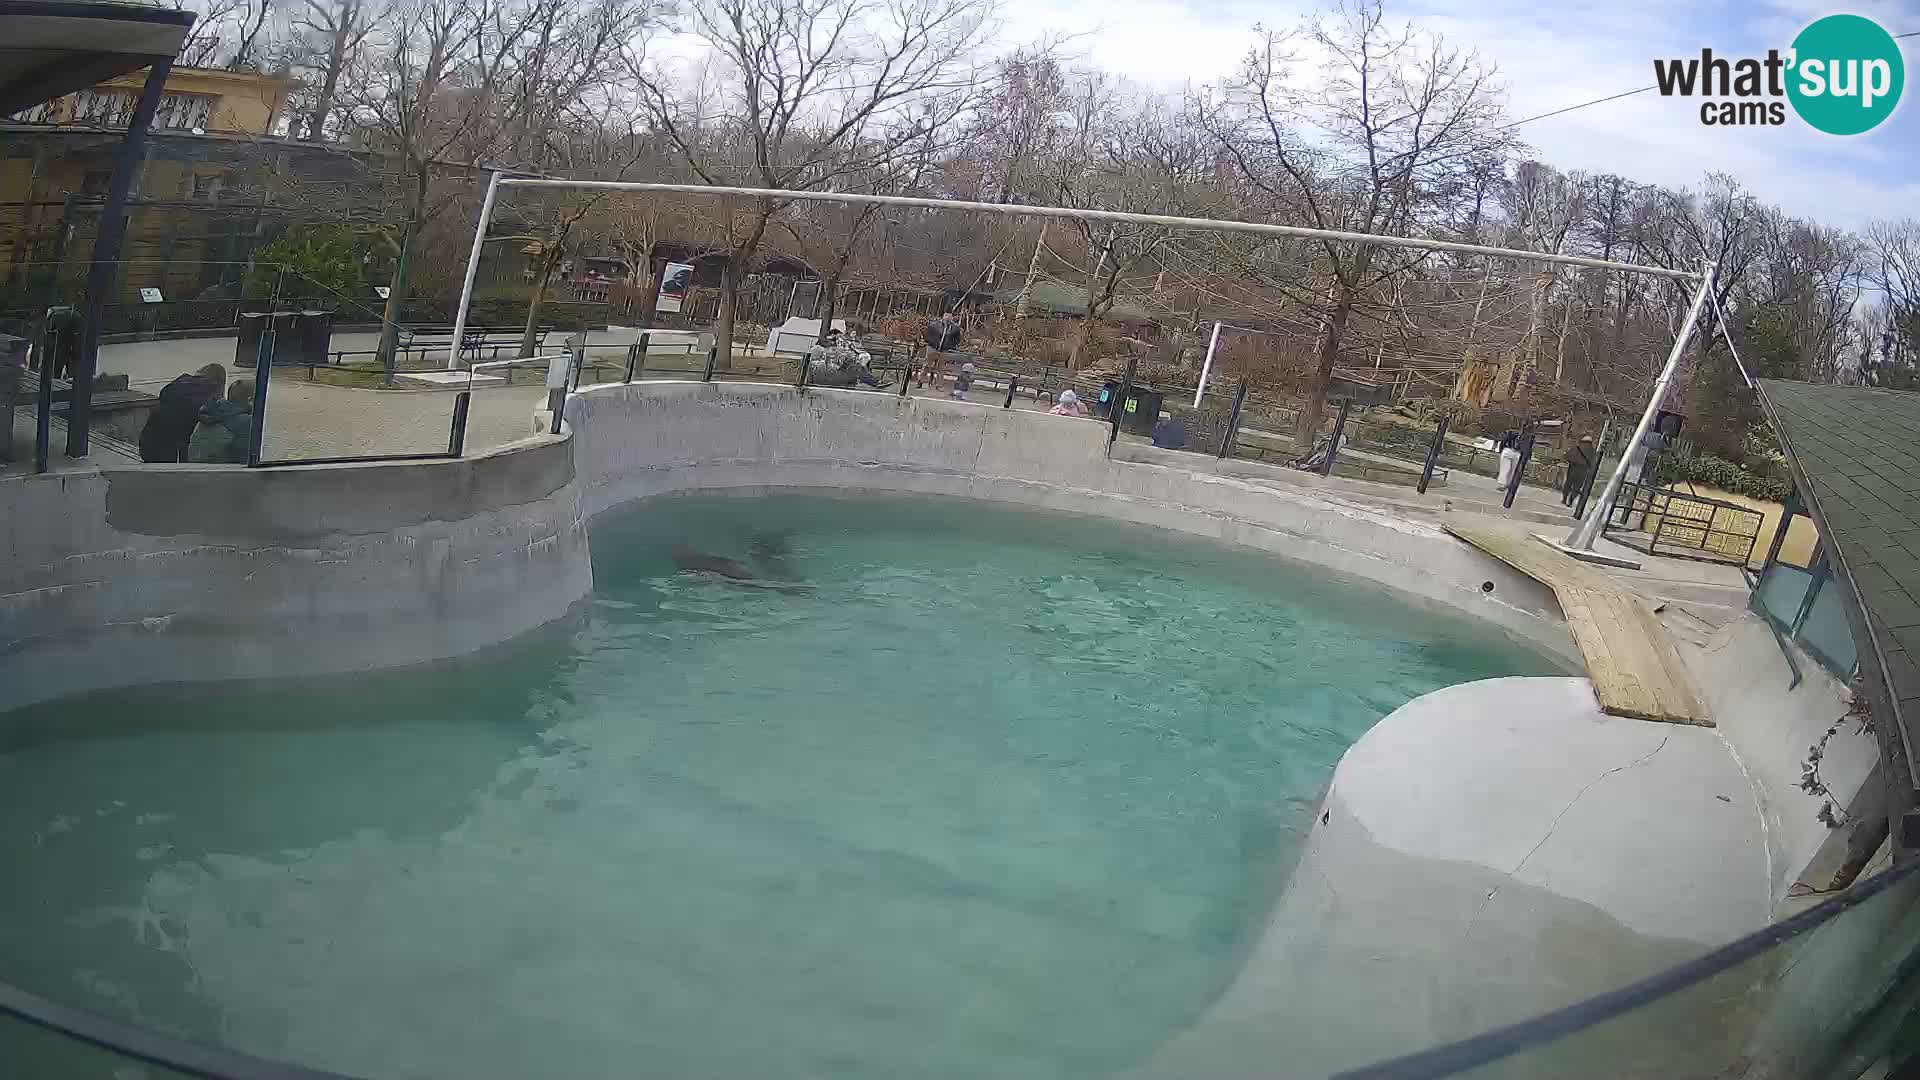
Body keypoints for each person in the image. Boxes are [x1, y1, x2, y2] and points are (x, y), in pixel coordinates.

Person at [139, 363, 225, 462]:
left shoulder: (175, 387)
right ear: (219, 382)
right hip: (170, 453)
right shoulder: (204, 398)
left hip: (149, 444)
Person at [187, 378, 255, 464]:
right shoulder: (244, 422)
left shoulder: (212, 414)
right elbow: (249, 458)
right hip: (221, 473)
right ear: (250, 400)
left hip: (195, 470)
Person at [1563, 434, 1596, 506]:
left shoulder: (1577, 447)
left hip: (1573, 468)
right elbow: (1593, 461)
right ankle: (1571, 500)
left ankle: (1564, 498)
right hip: (1583, 470)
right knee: (1577, 487)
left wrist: (1570, 461)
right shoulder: (1592, 451)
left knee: (1568, 484)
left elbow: (1567, 456)